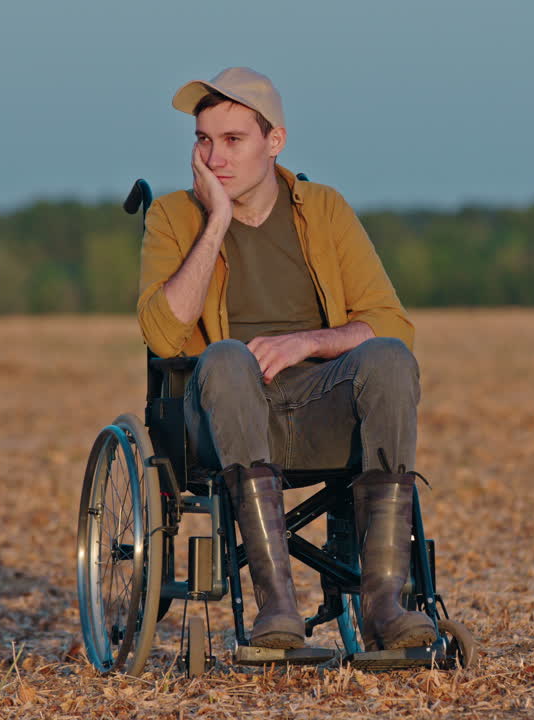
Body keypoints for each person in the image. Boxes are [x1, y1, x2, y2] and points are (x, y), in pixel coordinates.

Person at [136, 67, 435, 653]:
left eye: (232, 140)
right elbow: (165, 336)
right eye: (203, 140)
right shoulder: (174, 217)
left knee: (391, 358)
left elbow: (392, 321)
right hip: (222, 415)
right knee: (222, 358)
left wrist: (307, 342)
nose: (213, 156)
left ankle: (385, 606)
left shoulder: (323, 209)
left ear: (275, 142)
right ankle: (277, 605)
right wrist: (215, 221)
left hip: (317, 404)